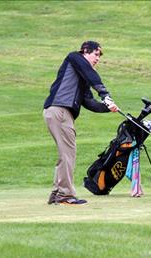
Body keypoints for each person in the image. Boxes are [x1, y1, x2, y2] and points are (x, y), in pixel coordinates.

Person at [43, 41, 119, 205]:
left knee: (65, 154)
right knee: (68, 154)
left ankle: (57, 193)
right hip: (60, 111)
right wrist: (105, 94)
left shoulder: (81, 77)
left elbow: (89, 102)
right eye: (96, 54)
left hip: (60, 113)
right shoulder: (74, 57)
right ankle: (65, 195)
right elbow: (91, 75)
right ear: (85, 51)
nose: (97, 59)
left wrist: (108, 107)